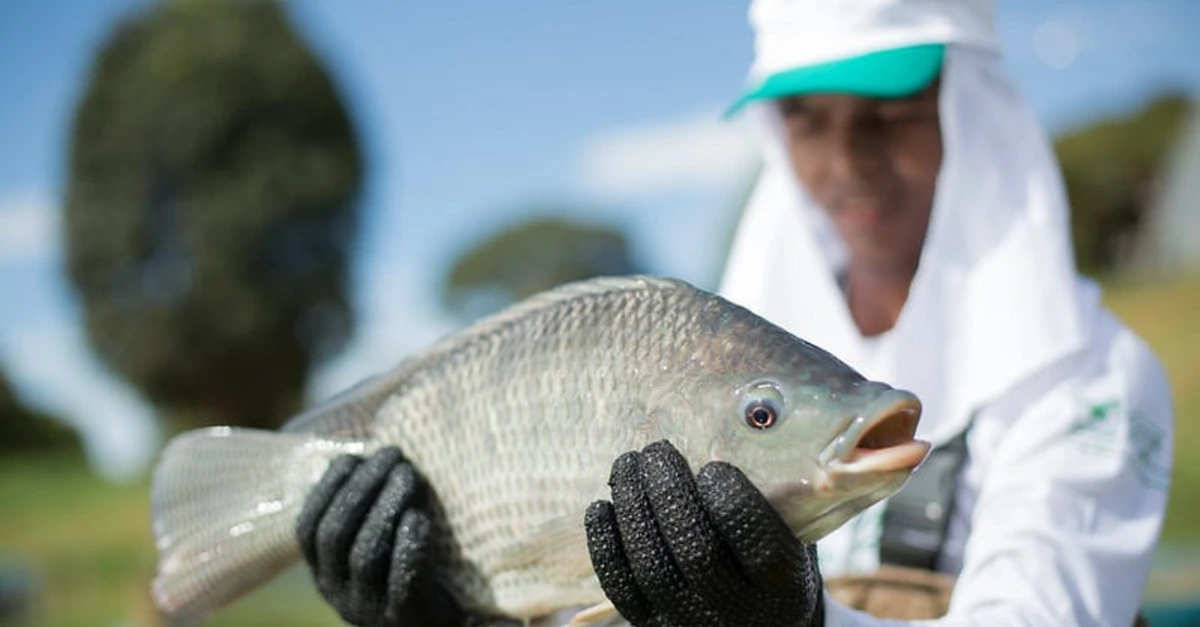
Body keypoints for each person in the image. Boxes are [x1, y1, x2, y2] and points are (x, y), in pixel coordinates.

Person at [294, 0, 1175, 625]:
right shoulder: (726, 358)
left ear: (973, 112)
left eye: (892, 114)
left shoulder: (1095, 381)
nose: (846, 161)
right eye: (805, 121)